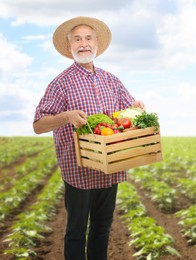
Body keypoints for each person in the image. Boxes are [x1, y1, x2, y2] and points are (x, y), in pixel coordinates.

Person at [33, 16, 144, 260]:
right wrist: (66, 117)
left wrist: (137, 108)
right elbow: (38, 125)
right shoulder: (60, 84)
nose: (84, 44)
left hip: (109, 166)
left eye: (88, 38)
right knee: (76, 232)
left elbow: (128, 116)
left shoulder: (112, 81)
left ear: (96, 44)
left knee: (102, 229)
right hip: (78, 168)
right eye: (78, 39)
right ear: (70, 45)